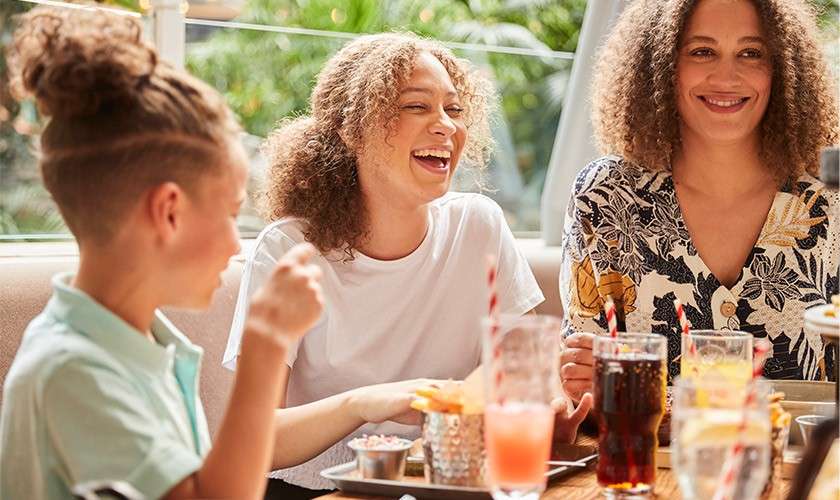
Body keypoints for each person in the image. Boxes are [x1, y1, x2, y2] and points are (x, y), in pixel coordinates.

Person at [223, 32, 593, 497]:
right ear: (351, 128)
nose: (446, 126)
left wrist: (548, 413)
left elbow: (523, 375)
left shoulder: (478, 226)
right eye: (416, 106)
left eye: (454, 109)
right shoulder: (290, 249)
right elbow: (256, 441)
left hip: (449, 485)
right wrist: (363, 404)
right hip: (316, 492)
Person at [0, 7, 330, 499]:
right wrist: (266, 347)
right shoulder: (73, 371)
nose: (234, 244)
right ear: (169, 212)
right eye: (229, 214)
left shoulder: (141, 345)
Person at [558, 0, 838, 403]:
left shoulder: (830, 201)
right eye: (702, 51)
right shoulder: (605, 196)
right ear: (661, 65)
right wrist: (581, 375)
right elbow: (586, 390)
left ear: (782, 68)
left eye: (751, 53)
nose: (726, 76)